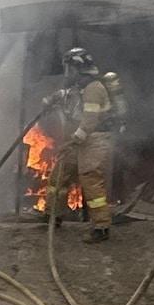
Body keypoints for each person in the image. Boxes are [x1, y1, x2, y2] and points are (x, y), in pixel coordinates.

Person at [53, 46, 117, 243]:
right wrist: (51, 99)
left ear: (77, 68)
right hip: (82, 139)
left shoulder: (93, 88)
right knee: (60, 173)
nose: (67, 73)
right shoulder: (80, 87)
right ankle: (52, 215)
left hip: (94, 139)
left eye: (69, 69)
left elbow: (90, 121)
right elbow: (68, 98)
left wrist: (73, 141)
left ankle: (101, 227)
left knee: (90, 179)